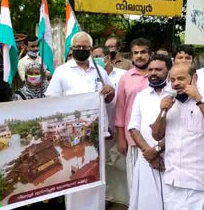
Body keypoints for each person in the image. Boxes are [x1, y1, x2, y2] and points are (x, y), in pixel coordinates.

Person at [46, 31, 115, 210]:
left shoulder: (99, 70)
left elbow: (110, 98)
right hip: (73, 136)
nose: (81, 50)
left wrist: (110, 92)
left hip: (96, 134)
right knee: (75, 178)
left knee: (96, 176)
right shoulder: (62, 72)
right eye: (77, 47)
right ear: (71, 49)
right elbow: (51, 102)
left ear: (91, 49)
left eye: (85, 47)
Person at [152, 64, 204, 210]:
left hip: (199, 179)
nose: (176, 83)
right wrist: (162, 112)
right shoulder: (169, 102)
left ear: (194, 78)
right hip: (173, 178)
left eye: (181, 78)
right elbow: (156, 135)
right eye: (172, 80)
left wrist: (199, 99)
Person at [128, 54, 173, 210]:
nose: (153, 73)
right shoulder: (141, 96)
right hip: (146, 159)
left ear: (168, 71)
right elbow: (133, 127)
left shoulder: (175, 95)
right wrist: (149, 153)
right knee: (146, 203)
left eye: (159, 70)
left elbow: (180, 129)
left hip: (171, 159)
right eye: (151, 69)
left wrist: (157, 150)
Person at [92, 44, 128, 209]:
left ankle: (120, 199)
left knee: (117, 167)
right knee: (101, 166)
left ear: (107, 58)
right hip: (99, 130)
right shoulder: (90, 74)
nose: (95, 59)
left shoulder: (123, 75)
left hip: (117, 126)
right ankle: (104, 197)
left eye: (98, 55)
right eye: (93, 56)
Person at [115, 38, 151, 196]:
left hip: (154, 138)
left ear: (150, 54)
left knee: (154, 183)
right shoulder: (125, 77)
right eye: (136, 53)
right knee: (134, 182)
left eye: (143, 52)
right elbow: (120, 109)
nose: (139, 56)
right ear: (131, 55)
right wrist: (121, 138)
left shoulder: (158, 74)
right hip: (132, 140)